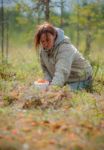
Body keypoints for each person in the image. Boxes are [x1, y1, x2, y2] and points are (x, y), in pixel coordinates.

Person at [34, 22, 93, 90]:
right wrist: (48, 82)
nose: (45, 44)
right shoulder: (43, 51)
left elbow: (62, 72)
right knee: (39, 89)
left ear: (54, 36)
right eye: (43, 41)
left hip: (82, 80)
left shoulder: (65, 48)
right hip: (65, 80)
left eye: (48, 40)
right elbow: (45, 69)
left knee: (63, 92)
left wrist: (52, 89)